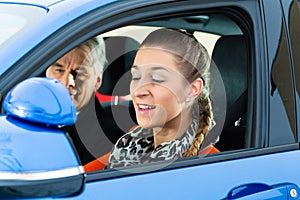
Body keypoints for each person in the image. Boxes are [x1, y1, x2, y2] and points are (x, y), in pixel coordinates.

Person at [107, 28, 218, 169]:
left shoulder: (211, 165)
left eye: (157, 79)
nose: (138, 91)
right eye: (136, 77)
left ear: (192, 89)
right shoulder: (126, 147)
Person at [46, 37, 131, 166]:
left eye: (80, 73)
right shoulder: (27, 114)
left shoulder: (106, 138)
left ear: (98, 80)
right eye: (59, 70)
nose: (66, 82)